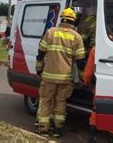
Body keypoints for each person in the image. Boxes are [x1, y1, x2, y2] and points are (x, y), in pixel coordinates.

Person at [35, 8, 86, 138]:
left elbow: (40, 53)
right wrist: (82, 78)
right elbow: (80, 62)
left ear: (61, 19)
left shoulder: (50, 32)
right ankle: (58, 129)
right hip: (65, 78)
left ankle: (43, 129)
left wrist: (39, 69)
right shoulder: (77, 37)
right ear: (73, 21)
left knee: (46, 101)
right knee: (60, 102)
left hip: (48, 76)